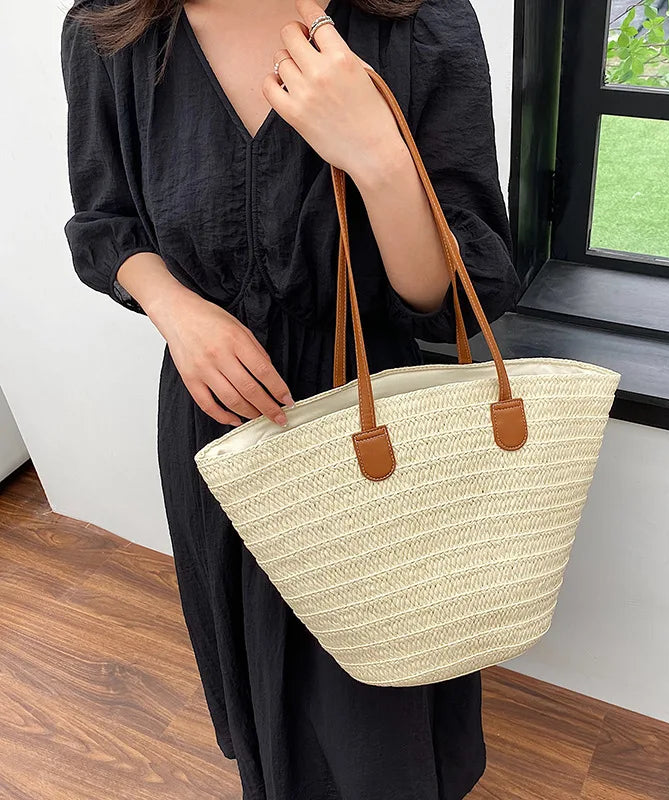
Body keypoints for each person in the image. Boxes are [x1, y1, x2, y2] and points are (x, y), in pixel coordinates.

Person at [60, 0, 522, 796]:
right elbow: (106, 225)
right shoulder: (114, 28)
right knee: (264, 699)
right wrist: (178, 312)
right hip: (216, 421)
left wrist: (378, 157)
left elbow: (451, 299)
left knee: (380, 710)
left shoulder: (422, 21)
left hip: (369, 425)